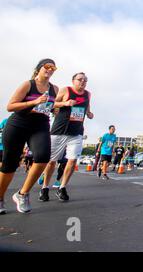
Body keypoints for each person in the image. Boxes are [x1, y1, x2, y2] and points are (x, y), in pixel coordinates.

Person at [0, 58, 60, 214]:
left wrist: (54, 110)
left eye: (53, 68)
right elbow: (10, 106)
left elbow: (51, 106)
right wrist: (33, 102)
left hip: (40, 125)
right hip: (18, 123)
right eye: (47, 67)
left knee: (43, 157)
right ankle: (0, 198)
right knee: (9, 165)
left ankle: (22, 194)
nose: (50, 70)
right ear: (39, 68)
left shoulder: (55, 89)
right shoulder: (28, 84)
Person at [39, 72, 93, 202]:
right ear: (73, 80)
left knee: (72, 160)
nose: (83, 82)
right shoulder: (65, 90)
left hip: (76, 132)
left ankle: (62, 187)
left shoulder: (88, 94)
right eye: (80, 79)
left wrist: (90, 113)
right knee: (52, 161)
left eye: (85, 80)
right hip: (59, 130)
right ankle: (45, 187)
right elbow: (52, 104)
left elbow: (87, 108)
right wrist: (65, 103)